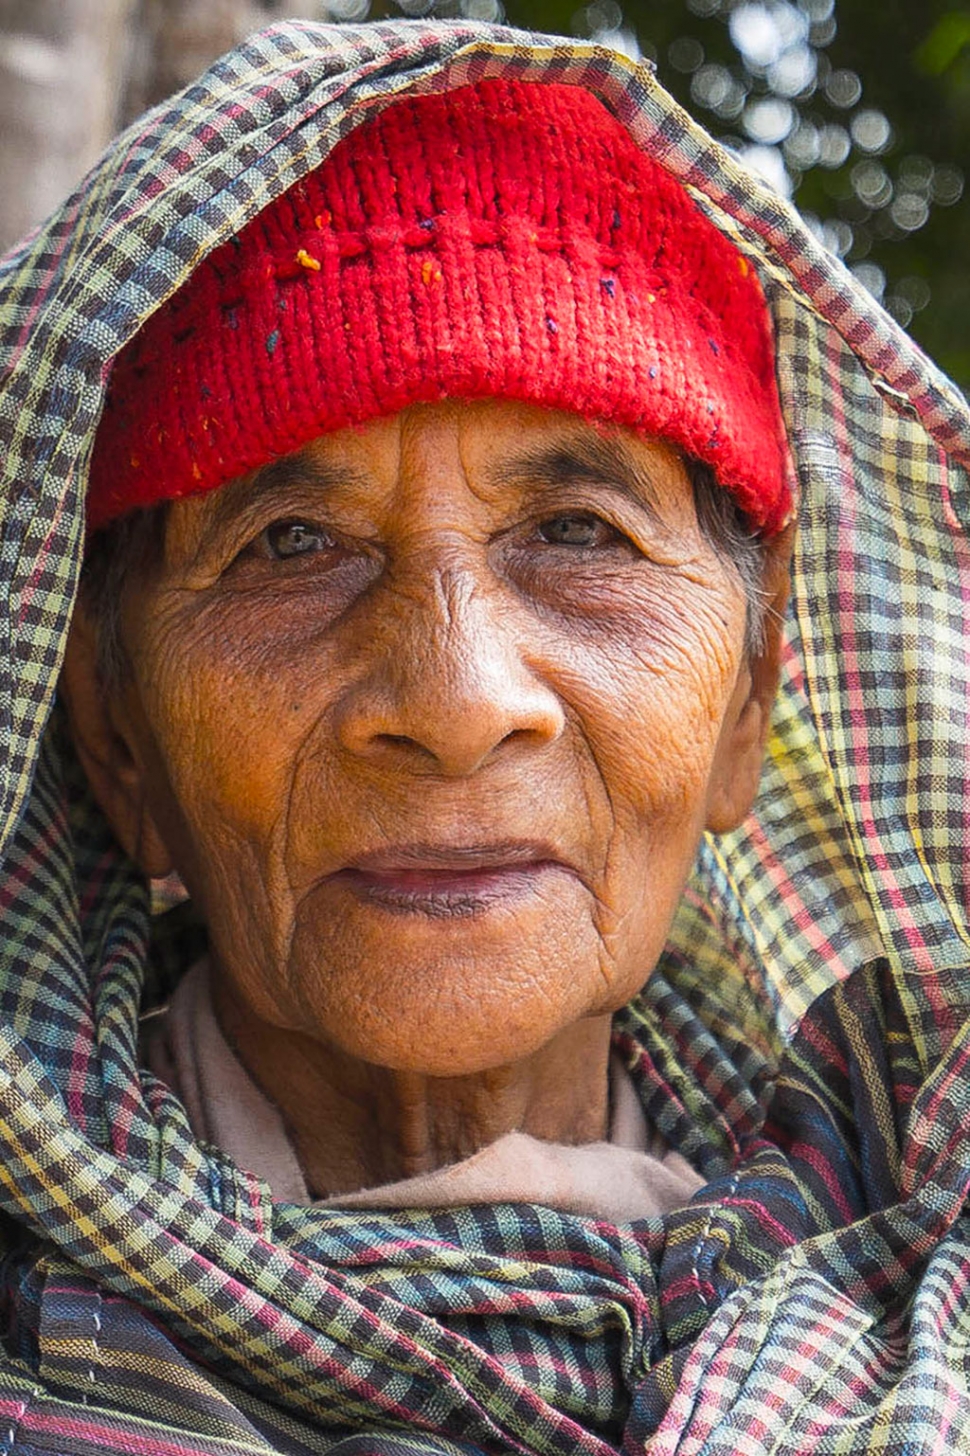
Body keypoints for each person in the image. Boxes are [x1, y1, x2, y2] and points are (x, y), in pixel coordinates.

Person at [0, 16, 969, 1456]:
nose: (455, 702)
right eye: (290, 544)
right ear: (116, 734)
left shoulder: (913, 1262)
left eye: (578, 534)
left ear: (744, 710)